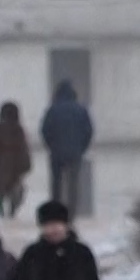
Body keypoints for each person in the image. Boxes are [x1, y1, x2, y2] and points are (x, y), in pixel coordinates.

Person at [40, 81, 94, 217]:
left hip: (56, 152)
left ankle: (56, 213)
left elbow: (45, 130)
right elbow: (89, 131)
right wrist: (82, 147)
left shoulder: (52, 110)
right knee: (73, 184)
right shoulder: (81, 110)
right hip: (75, 152)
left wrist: (50, 146)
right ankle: (72, 213)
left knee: (56, 183)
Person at [0, 102, 32, 219]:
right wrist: (25, 166)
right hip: (15, 168)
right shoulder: (18, 130)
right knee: (16, 190)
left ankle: (0, 210)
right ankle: (11, 210)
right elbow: (23, 149)